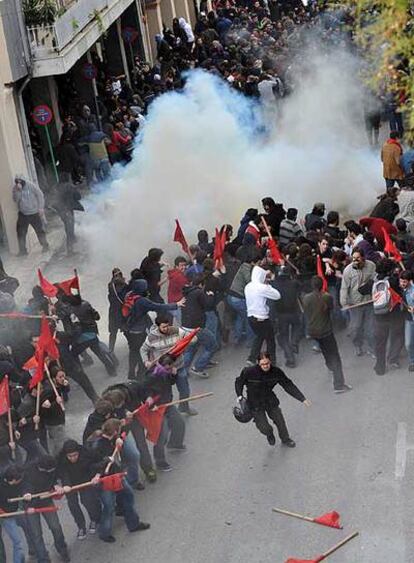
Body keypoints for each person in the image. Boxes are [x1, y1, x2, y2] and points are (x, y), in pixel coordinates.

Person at [89, 418, 150, 542]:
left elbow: (124, 430)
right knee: (109, 506)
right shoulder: (97, 446)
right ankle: (104, 533)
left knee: (128, 496)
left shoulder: (111, 439)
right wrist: (104, 463)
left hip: (116, 475)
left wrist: (119, 439)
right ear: (115, 431)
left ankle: (133, 524)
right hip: (105, 480)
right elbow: (92, 466)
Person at [235, 352, 311, 446]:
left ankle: (285, 439)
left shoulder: (276, 372)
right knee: (263, 427)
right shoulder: (248, 372)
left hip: (270, 400)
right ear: (258, 363)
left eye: (267, 363)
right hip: (255, 403)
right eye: (263, 364)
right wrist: (239, 396)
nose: (265, 366)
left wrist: (302, 398)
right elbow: (239, 382)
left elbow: (287, 385)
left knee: (280, 420)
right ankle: (269, 433)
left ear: (270, 362)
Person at [122, 279, 184, 380]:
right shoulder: (142, 301)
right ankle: (141, 377)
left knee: (133, 352)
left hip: (129, 330)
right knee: (145, 353)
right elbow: (158, 307)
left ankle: (131, 373)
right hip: (139, 332)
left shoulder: (130, 295)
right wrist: (175, 305)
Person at [140, 313, 197, 415]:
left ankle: (184, 408)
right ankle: (169, 414)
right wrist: (146, 361)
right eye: (163, 327)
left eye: (167, 326)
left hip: (178, 366)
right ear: (158, 326)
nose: (166, 329)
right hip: (162, 372)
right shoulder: (151, 337)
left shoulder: (176, 331)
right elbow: (143, 349)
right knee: (166, 395)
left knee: (185, 390)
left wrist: (191, 339)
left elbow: (190, 338)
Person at [303, 276, 352, 393]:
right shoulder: (327, 297)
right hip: (325, 330)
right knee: (334, 355)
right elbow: (330, 308)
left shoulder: (306, 298)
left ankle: (330, 366)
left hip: (312, 330)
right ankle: (339, 384)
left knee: (325, 351)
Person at [141, 355, 186, 472]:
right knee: (162, 435)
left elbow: (170, 383)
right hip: (156, 408)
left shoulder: (166, 372)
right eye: (169, 368)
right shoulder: (151, 375)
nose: (170, 369)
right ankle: (160, 462)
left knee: (179, 423)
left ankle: (175, 443)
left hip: (167, 404)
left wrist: (174, 375)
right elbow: (143, 389)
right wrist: (149, 401)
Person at [22, 454, 71, 562]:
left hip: (46, 500)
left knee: (55, 527)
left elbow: (61, 474)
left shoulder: (51, 464)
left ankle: (62, 548)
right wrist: (26, 494)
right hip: (30, 504)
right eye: (50, 470)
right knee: (36, 534)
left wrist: (60, 485)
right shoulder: (28, 469)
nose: (53, 471)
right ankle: (43, 558)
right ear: (42, 468)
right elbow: (24, 486)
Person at [57, 439, 102, 540]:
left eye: (75, 455)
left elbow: (99, 461)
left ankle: (94, 519)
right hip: (69, 484)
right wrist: (65, 485)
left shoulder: (87, 453)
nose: (73, 458)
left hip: (85, 479)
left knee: (88, 501)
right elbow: (61, 472)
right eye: (70, 456)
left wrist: (97, 475)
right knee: (73, 505)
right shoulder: (60, 459)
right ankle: (81, 526)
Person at [340, 248, 376, 356]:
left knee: (370, 329)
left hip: (369, 302)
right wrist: (344, 302)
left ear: (363, 257)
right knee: (355, 328)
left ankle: (372, 348)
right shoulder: (347, 270)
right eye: (353, 258)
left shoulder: (371, 266)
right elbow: (344, 288)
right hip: (355, 304)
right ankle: (357, 345)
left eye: (358, 258)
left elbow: (375, 279)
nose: (355, 261)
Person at [371, 258, 405, 375]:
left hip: (379, 317)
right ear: (390, 270)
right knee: (397, 337)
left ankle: (380, 367)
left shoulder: (374, 281)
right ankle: (392, 358)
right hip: (394, 315)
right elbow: (402, 292)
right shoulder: (393, 281)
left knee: (380, 343)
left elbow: (361, 290)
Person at [245, 265, 281, 365]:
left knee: (259, 337)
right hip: (262, 318)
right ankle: (271, 361)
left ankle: (252, 358)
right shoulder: (262, 287)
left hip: (251, 317)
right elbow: (277, 295)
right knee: (270, 340)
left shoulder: (248, 286)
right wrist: (268, 284)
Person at [13, 175, 49, 256]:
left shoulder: (31, 185)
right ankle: (23, 251)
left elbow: (40, 195)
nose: (19, 183)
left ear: (23, 180)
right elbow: (15, 200)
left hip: (34, 212)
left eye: (20, 181)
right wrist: (18, 191)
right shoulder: (15, 188)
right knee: (20, 232)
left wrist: (41, 207)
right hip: (23, 214)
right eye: (17, 181)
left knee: (39, 230)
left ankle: (45, 245)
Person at [107, 268, 127, 355]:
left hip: (116, 311)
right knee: (116, 331)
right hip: (119, 311)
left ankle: (111, 349)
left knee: (115, 332)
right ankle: (110, 350)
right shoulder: (115, 286)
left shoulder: (112, 285)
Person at [400, 271, 414, 372]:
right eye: (401, 281)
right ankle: (412, 361)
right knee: (408, 343)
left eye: (404, 282)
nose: (402, 284)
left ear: (410, 281)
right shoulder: (401, 289)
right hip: (409, 319)